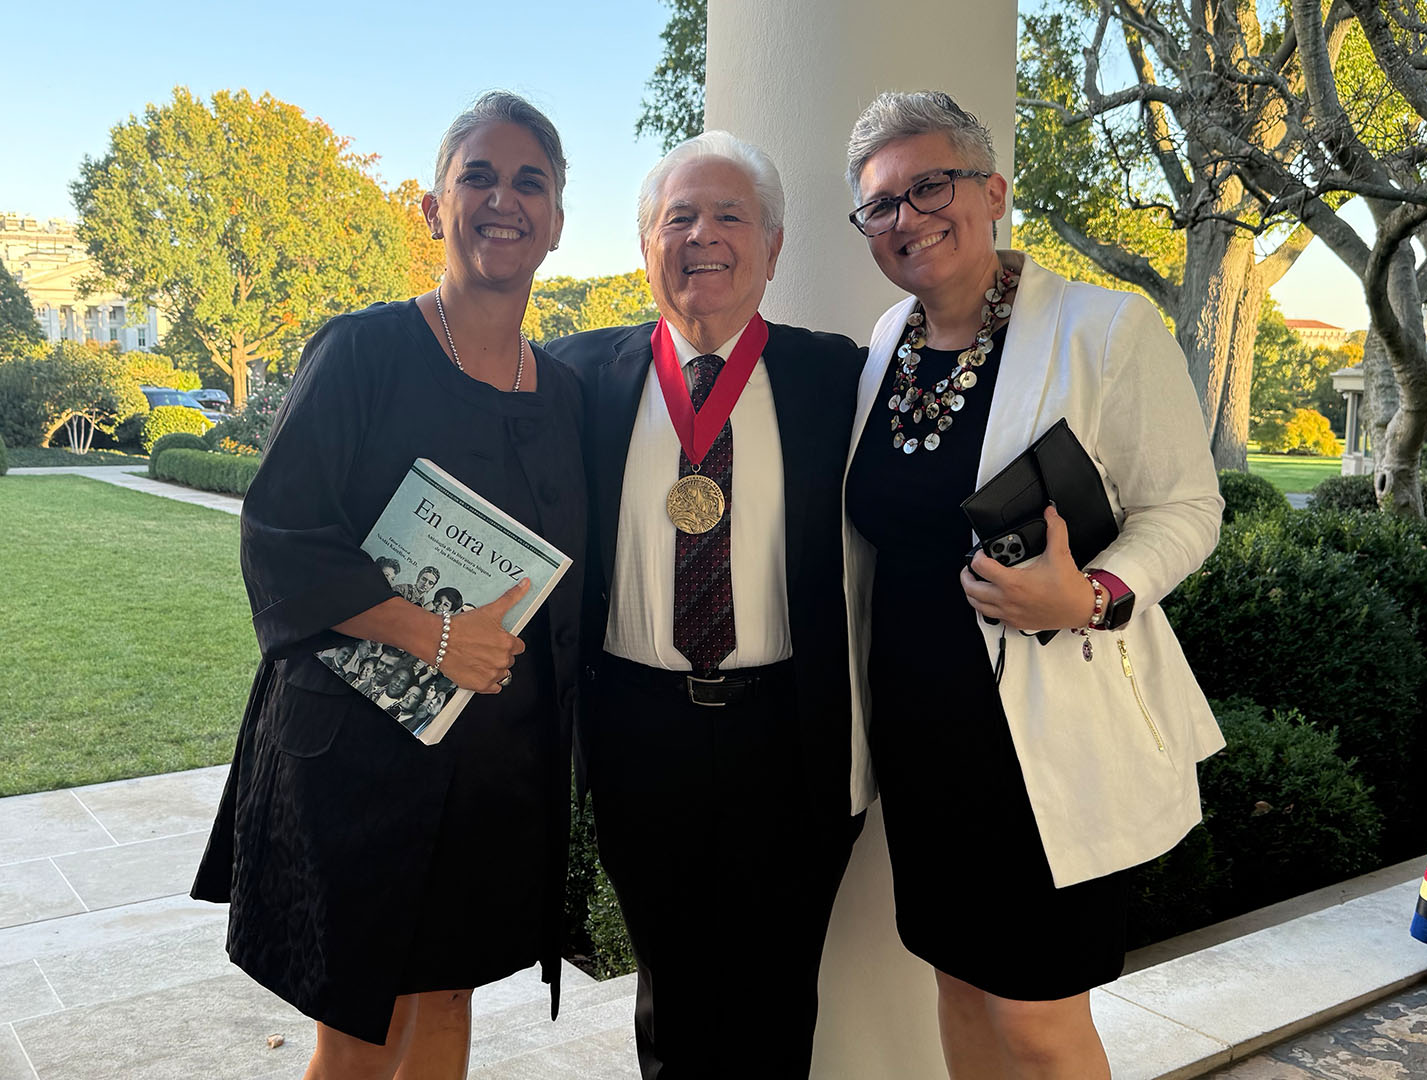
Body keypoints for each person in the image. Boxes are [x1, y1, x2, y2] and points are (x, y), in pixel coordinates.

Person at [190, 90, 584, 1080]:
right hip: (356, 755)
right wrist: (434, 634)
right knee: (362, 1035)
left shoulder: (568, 393)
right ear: (432, 207)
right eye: (478, 177)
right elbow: (281, 537)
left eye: (529, 181)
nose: (505, 200)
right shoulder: (363, 351)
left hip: (493, 766)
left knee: (447, 1000)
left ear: (557, 221)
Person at [840, 91, 1225, 1079]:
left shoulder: (1103, 329)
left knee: (1041, 1025)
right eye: (881, 204)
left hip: (1043, 743)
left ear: (994, 190)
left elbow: (1186, 510)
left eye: (932, 185)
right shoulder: (888, 344)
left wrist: (1091, 594)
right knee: (959, 987)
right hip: (923, 743)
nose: (908, 216)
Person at [548, 130, 865, 1079]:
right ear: (646, 244)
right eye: (677, 216)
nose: (703, 235)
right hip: (639, 731)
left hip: (790, 733)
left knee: (780, 992)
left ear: (772, 247)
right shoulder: (576, 377)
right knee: (674, 987)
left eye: (730, 215)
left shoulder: (837, 375)